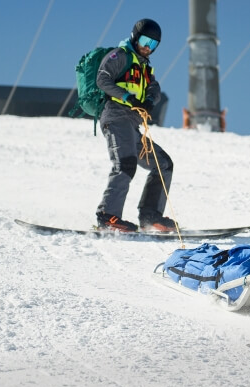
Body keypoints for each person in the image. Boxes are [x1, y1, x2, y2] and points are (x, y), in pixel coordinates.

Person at [95, 18, 176, 232]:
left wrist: (150, 100)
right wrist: (127, 97)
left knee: (163, 165)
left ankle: (151, 215)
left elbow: (154, 88)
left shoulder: (145, 68)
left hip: (132, 125)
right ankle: (107, 216)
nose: (148, 48)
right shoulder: (120, 56)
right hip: (115, 117)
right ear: (135, 37)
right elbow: (102, 79)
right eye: (146, 41)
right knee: (125, 164)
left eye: (153, 45)